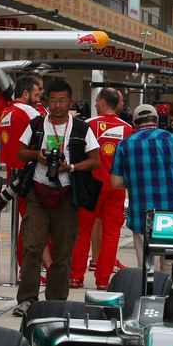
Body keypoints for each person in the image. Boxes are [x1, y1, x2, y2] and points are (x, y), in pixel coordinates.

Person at [12, 79, 100, 317]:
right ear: (45, 101)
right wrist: (37, 155)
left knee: (63, 251)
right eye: (53, 100)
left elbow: (95, 160)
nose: (58, 105)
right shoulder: (37, 124)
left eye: (62, 101)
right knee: (32, 246)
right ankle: (27, 299)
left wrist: (69, 168)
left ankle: (56, 301)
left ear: (70, 102)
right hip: (38, 193)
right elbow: (20, 152)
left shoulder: (82, 129)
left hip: (67, 195)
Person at [111, 103, 173, 272]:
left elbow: (116, 182)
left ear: (134, 123)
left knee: (147, 266)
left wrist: (135, 181)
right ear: (156, 120)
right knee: (171, 263)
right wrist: (171, 177)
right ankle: (169, 294)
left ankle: (150, 295)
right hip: (171, 212)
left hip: (141, 212)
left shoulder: (124, 145)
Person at [70, 87, 134, 290]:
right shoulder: (127, 129)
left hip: (90, 187)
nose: (96, 104)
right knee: (111, 233)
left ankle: (75, 277)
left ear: (104, 101)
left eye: (97, 101)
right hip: (115, 188)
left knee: (82, 232)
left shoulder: (87, 125)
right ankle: (103, 279)